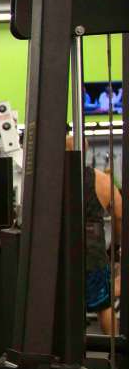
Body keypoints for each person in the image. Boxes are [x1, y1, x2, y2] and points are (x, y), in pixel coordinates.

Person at [68, 136, 124, 335]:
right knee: (104, 304)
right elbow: (119, 215)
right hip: (93, 253)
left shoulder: (49, 180)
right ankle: (115, 355)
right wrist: (115, 247)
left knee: (63, 306)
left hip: (61, 254)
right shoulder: (101, 180)